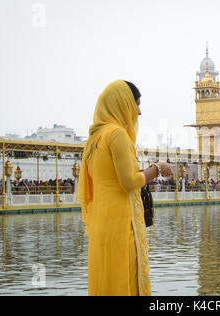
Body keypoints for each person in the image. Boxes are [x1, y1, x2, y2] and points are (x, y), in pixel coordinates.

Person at [77, 80, 172, 296]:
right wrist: (157, 169)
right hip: (121, 224)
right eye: (136, 104)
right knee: (125, 284)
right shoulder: (117, 134)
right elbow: (128, 182)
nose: (139, 111)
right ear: (123, 104)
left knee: (106, 283)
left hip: (101, 224)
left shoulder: (94, 138)